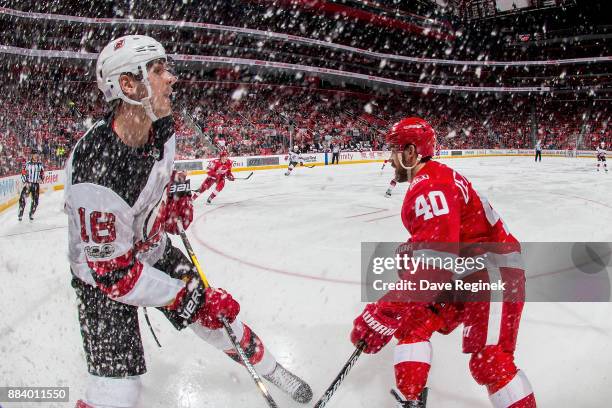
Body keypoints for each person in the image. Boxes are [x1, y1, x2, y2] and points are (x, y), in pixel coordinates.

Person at [64, 35, 311, 408]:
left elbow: (165, 171)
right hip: (102, 280)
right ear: (128, 85)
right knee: (119, 394)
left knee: (219, 324)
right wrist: (185, 297)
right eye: (159, 71)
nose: (172, 78)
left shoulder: (160, 124)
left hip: (151, 250)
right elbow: (115, 277)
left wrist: (175, 198)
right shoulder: (95, 170)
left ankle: (273, 369)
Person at [350, 117, 536, 407]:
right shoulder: (433, 180)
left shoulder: (429, 188)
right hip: (466, 272)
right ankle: (411, 401)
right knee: (413, 324)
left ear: (410, 152)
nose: (390, 160)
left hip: (493, 270)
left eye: (394, 151)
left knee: (491, 363)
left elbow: (434, 267)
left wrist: (382, 313)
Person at [18, 152, 44, 221]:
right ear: (32, 156)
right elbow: (23, 173)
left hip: (36, 185)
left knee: (35, 201)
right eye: (34, 155)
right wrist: (25, 181)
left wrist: (41, 179)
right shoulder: (27, 164)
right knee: (22, 199)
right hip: (28, 184)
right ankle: (20, 214)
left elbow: (42, 173)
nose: (36, 156)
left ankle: (31, 213)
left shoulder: (40, 164)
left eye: (37, 155)